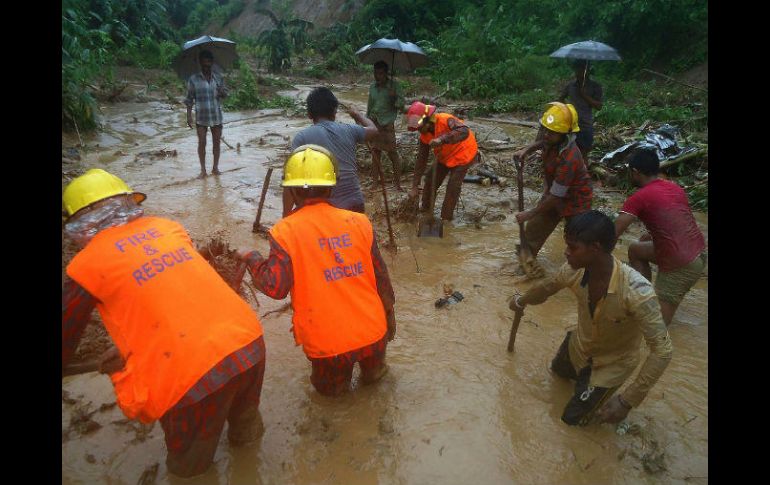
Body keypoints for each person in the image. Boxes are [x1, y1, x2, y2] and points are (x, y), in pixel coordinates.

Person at [62, 169, 266, 478]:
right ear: (129, 204)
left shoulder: (85, 266)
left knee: (189, 471)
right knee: (247, 432)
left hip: (192, 376)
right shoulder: (167, 227)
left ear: (79, 225)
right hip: (249, 343)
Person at [241, 145, 396, 396]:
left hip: (328, 345)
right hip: (373, 332)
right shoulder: (359, 222)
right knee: (376, 384)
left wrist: (252, 258)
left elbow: (275, 287)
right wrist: (389, 317)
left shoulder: (285, 231)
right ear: (332, 186)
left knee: (331, 397)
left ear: (290, 190)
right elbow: (381, 278)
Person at [509, 210, 672, 426]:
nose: (566, 253)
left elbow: (662, 351)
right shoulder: (573, 270)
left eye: (573, 248)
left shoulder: (638, 293)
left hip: (610, 366)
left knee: (571, 423)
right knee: (557, 374)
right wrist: (522, 300)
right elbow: (547, 289)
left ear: (595, 248)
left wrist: (626, 401)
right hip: (578, 346)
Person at [614, 149, 707, 325]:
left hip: (680, 265)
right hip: (699, 254)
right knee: (636, 249)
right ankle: (643, 295)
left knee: (655, 326)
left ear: (635, 172)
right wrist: (650, 234)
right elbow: (679, 221)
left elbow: (614, 233)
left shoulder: (639, 197)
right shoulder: (674, 187)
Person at [513, 102, 593, 265]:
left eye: (552, 132)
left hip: (575, 202)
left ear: (564, 134)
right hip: (554, 195)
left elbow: (556, 196)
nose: (546, 135)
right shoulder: (552, 139)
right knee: (532, 232)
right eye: (545, 130)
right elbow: (543, 142)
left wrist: (529, 214)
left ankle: (580, 272)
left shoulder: (570, 158)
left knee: (575, 241)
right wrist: (527, 150)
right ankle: (525, 264)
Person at [284, 87, 379, 216]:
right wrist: (357, 115)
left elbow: (291, 181)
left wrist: (286, 217)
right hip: (355, 204)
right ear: (335, 112)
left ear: (309, 114)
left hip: (325, 210)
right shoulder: (350, 129)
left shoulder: (302, 137)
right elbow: (373, 130)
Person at [406, 102, 478, 221]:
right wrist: (414, 186)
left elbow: (464, 131)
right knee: (430, 180)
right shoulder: (424, 135)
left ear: (427, 120)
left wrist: (441, 139)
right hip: (445, 156)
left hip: (463, 153)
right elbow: (421, 160)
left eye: (419, 127)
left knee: (452, 187)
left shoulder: (445, 119)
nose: (419, 131)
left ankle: (446, 219)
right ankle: (426, 210)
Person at [185, 50, 228, 178]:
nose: (206, 66)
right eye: (204, 64)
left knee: (216, 143)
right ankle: (203, 170)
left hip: (216, 116)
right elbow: (189, 99)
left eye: (208, 63)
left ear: (212, 63)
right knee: (202, 143)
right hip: (201, 117)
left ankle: (215, 168)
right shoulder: (194, 79)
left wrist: (221, 92)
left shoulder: (218, 78)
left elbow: (225, 94)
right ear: (200, 63)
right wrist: (188, 116)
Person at [366, 60, 406, 191]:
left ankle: (398, 184)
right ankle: (375, 183)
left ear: (386, 73)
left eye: (381, 73)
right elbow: (370, 106)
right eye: (376, 73)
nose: (378, 76)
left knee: (393, 154)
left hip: (387, 124)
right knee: (375, 153)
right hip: (375, 122)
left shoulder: (394, 86)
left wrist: (394, 98)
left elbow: (401, 105)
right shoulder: (372, 87)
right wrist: (366, 121)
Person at [558, 59, 603, 161]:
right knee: (568, 152)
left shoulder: (595, 86)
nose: (580, 72)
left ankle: (582, 174)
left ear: (587, 70)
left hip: (585, 124)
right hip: (570, 124)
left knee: (584, 153)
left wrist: (584, 95)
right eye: (578, 69)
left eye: (583, 69)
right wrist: (566, 110)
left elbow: (599, 106)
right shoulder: (570, 85)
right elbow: (560, 99)